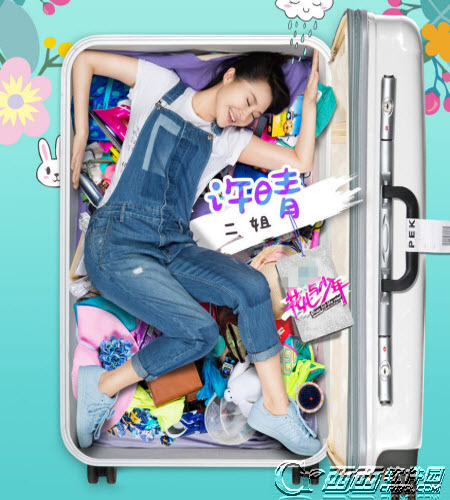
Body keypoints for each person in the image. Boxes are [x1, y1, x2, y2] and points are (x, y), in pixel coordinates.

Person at [70, 49, 321, 455]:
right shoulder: (161, 86)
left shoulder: (229, 141)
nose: (245, 115)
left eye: (255, 113)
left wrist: (307, 104)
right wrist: (81, 132)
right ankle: (102, 385)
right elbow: (84, 60)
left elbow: (299, 161)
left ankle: (275, 408)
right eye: (247, 100)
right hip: (117, 240)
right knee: (201, 334)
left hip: (172, 245)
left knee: (253, 287)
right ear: (230, 75)